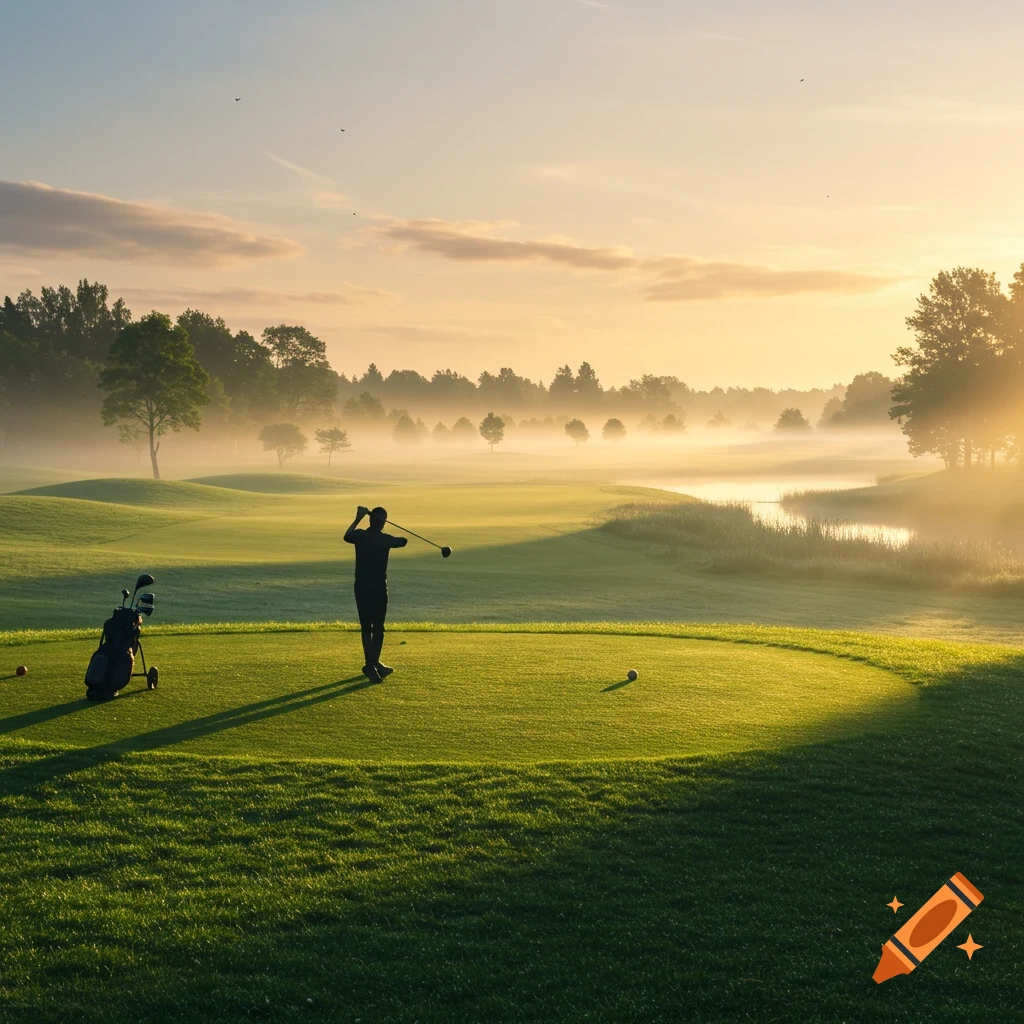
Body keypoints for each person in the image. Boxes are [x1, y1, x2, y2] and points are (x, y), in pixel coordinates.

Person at [344, 505, 407, 682]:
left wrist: (358, 517)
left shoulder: (361, 536)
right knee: (378, 627)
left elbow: (347, 535)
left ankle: (373, 663)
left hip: (361, 588)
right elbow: (403, 541)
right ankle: (371, 665)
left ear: (370, 520)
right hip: (378, 589)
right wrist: (401, 538)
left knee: (367, 626)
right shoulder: (385, 539)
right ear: (383, 522)